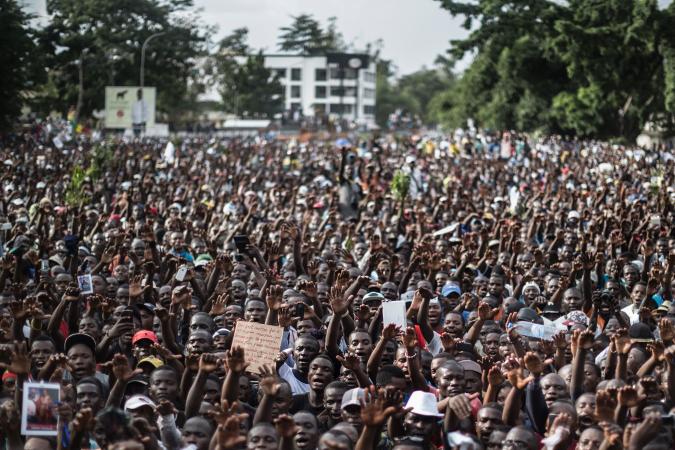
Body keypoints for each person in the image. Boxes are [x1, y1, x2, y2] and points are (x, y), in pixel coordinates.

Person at [0, 126, 673, 450]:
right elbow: (219, 374)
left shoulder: (436, 397)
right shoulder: (244, 387)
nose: (268, 440)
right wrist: (142, 378)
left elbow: (388, 350)